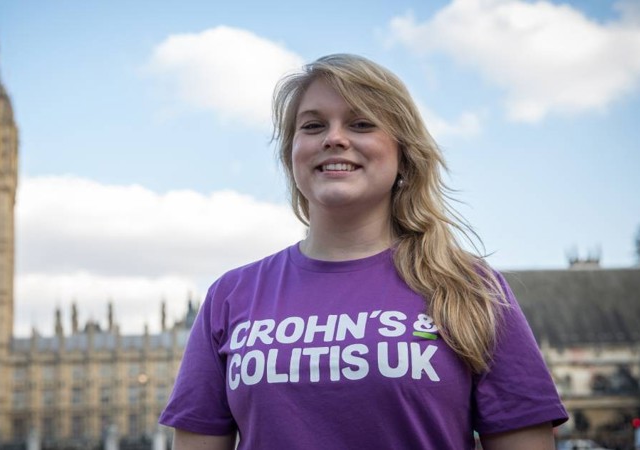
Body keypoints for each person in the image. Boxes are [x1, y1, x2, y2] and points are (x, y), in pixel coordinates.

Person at [159, 53, 568, 449]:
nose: (334, 138)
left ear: (404, 154)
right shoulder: (231, 296)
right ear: (291, 155)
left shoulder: (471, 289)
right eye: (313, 125)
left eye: (361, 124)